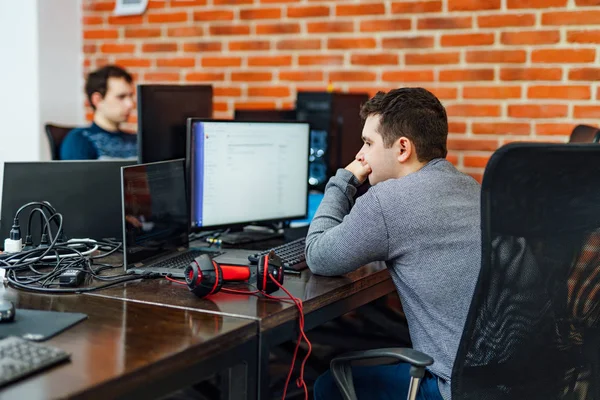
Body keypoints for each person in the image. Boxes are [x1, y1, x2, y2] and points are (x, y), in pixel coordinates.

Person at [306, 87, 481, 400]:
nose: (360, 155)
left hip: (454, 389)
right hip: (519, 379)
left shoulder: (388, 202)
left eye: (368, 143)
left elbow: (318, 255)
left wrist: (344, 180)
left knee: (328, 386)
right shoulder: (470, 186)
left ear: (402, 148)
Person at [60, 65, 137, 160]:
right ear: (98, 100)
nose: (130, 104)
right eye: (121, 97)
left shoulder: (136, 140)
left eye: (130, 96)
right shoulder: (80, 140)